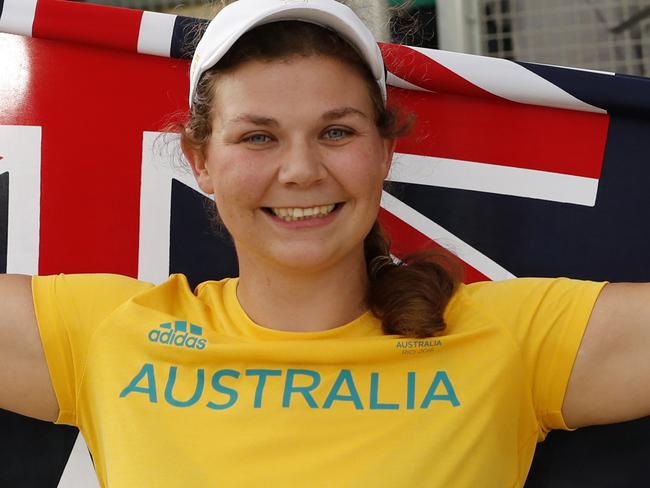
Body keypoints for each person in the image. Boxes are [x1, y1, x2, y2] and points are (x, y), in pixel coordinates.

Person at [1, 0, 649, 486]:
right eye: (258, 136)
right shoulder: (108, 335)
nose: (302, 170)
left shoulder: (512, 339)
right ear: (200, 161)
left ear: (384, 150)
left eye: (336, 132)